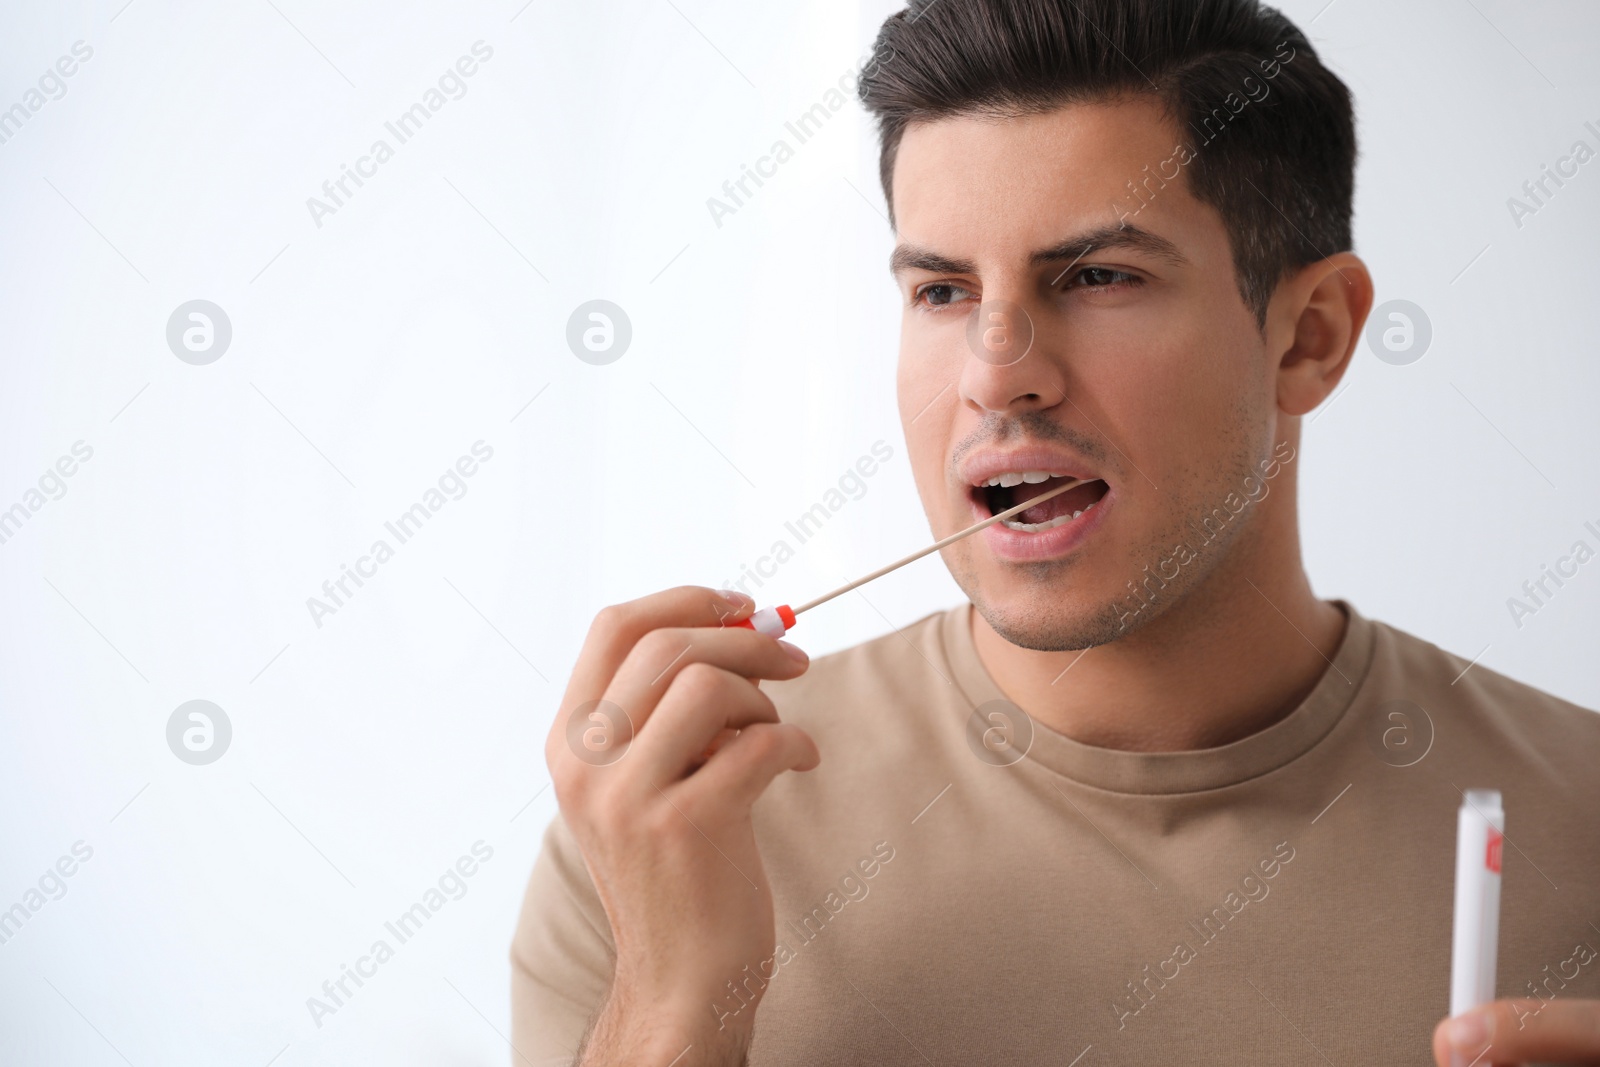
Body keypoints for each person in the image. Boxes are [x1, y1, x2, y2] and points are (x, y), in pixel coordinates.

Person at [512, 1, 1600, 1063]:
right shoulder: (669, 828)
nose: (997, 372)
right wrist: (670, 1001)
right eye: (941, 290)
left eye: (1096, 277)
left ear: (1308, 336)